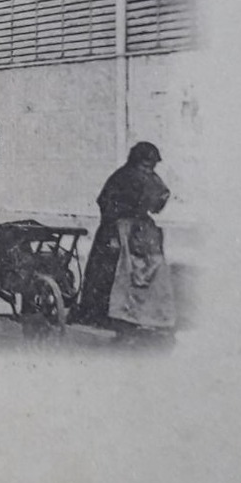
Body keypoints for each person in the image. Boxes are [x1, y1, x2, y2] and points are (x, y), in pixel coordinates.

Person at [74, 141, 176, 336]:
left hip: (140, 230)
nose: (148, 169)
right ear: (135, 162)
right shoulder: (121, 177)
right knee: (110, 271)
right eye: (145, 165)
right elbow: (105, 202)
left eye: (152, 166)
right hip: (116, 227)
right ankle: (103, 315)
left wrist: (160, 198)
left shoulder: (151, 178)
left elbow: (156, 203)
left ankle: (142, 314)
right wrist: (113, 230)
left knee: (147, 269)